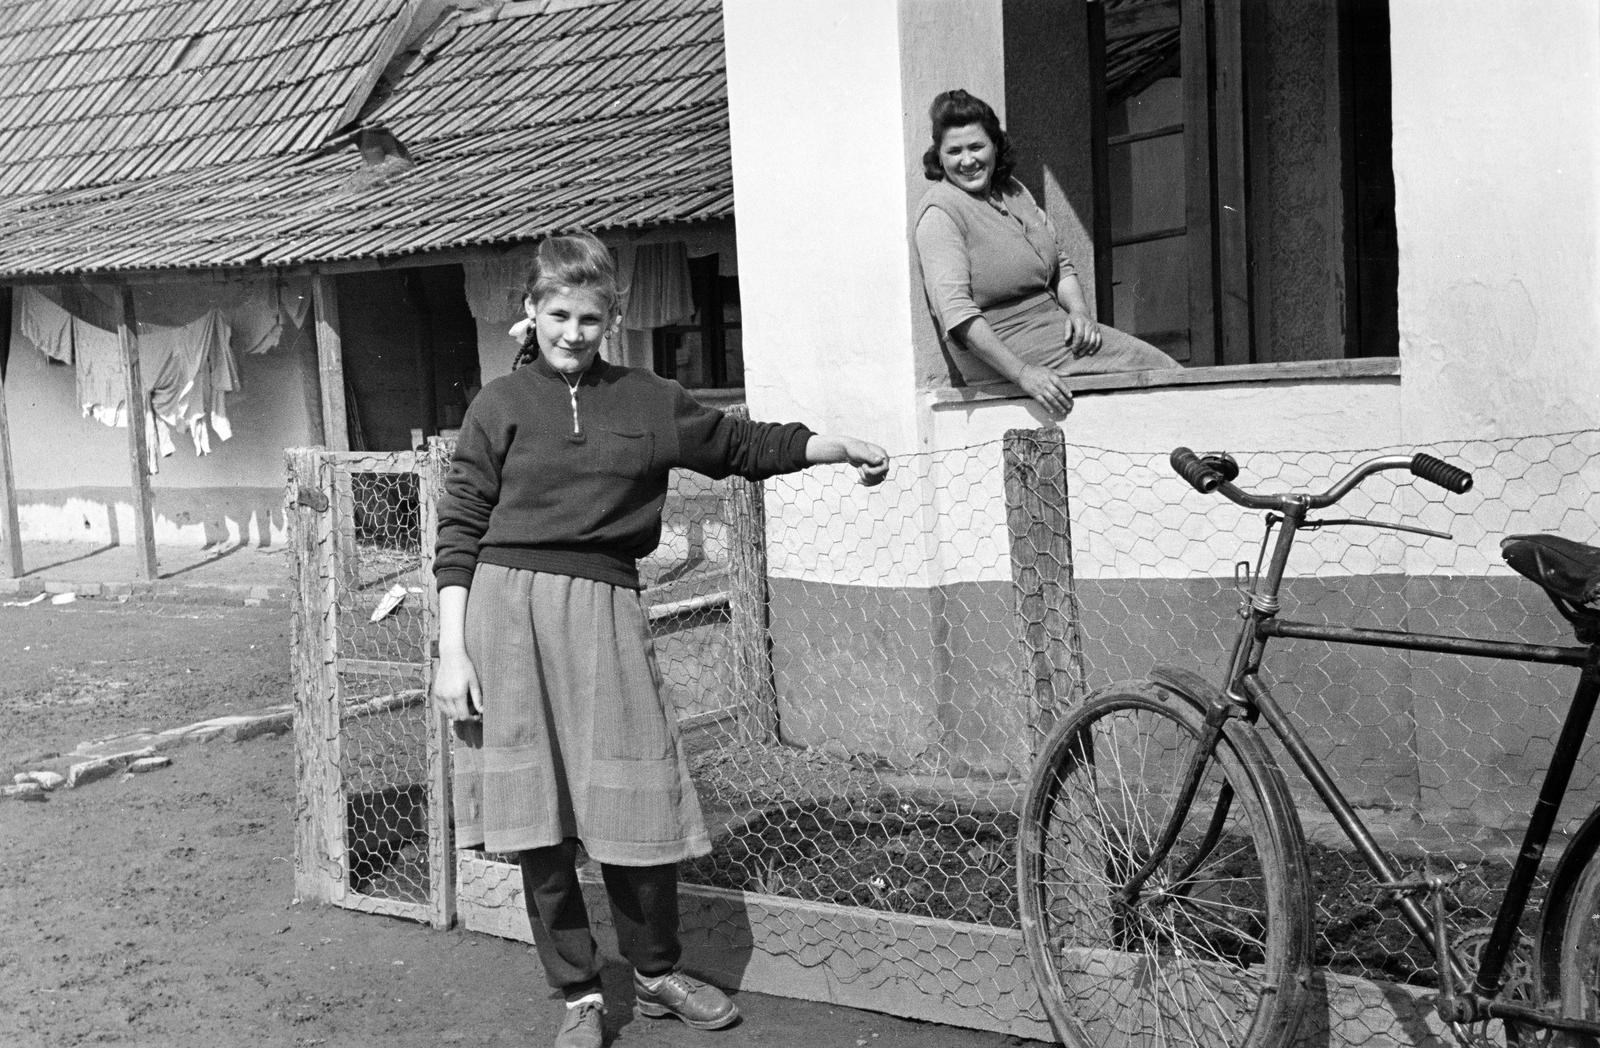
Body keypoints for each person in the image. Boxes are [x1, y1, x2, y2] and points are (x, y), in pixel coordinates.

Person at [431, 232, 890, 1048]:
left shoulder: (648, 399)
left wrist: (832, 446)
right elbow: (460, 530)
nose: (573, 332)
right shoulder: (496, 408)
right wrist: (452, 651)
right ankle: (577, 993)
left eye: (590, 317)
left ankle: (654, 972)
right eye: (559, 314)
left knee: (634, 797)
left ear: (614, 317)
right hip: (504, 623)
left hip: (605, 609)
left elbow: (737, 446)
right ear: (531, 313)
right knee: (538, 819)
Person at [913, 88, 1180, 416]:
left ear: (995, 146)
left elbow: (1061, 265)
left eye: (976, 147)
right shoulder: (940, 213)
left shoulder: (1013, 192)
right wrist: (1024, 374)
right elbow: (958, 317)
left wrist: (1080, 313)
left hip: (1053, 329)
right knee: (1156, 368)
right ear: (939, 156)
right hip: (1004, 350)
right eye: (954, 151)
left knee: (1156, 371)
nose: (967, 161)